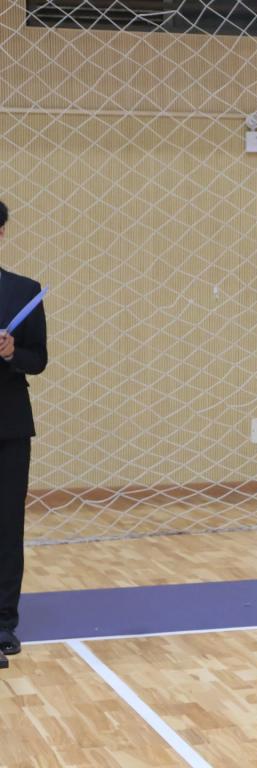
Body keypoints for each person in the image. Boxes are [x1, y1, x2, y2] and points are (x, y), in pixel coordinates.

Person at [0, 199, 48, 661]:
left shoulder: (24, 292)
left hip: (8, 428)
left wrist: (13, 352)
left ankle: (2, 624)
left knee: (6, 527)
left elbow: (39, 359)